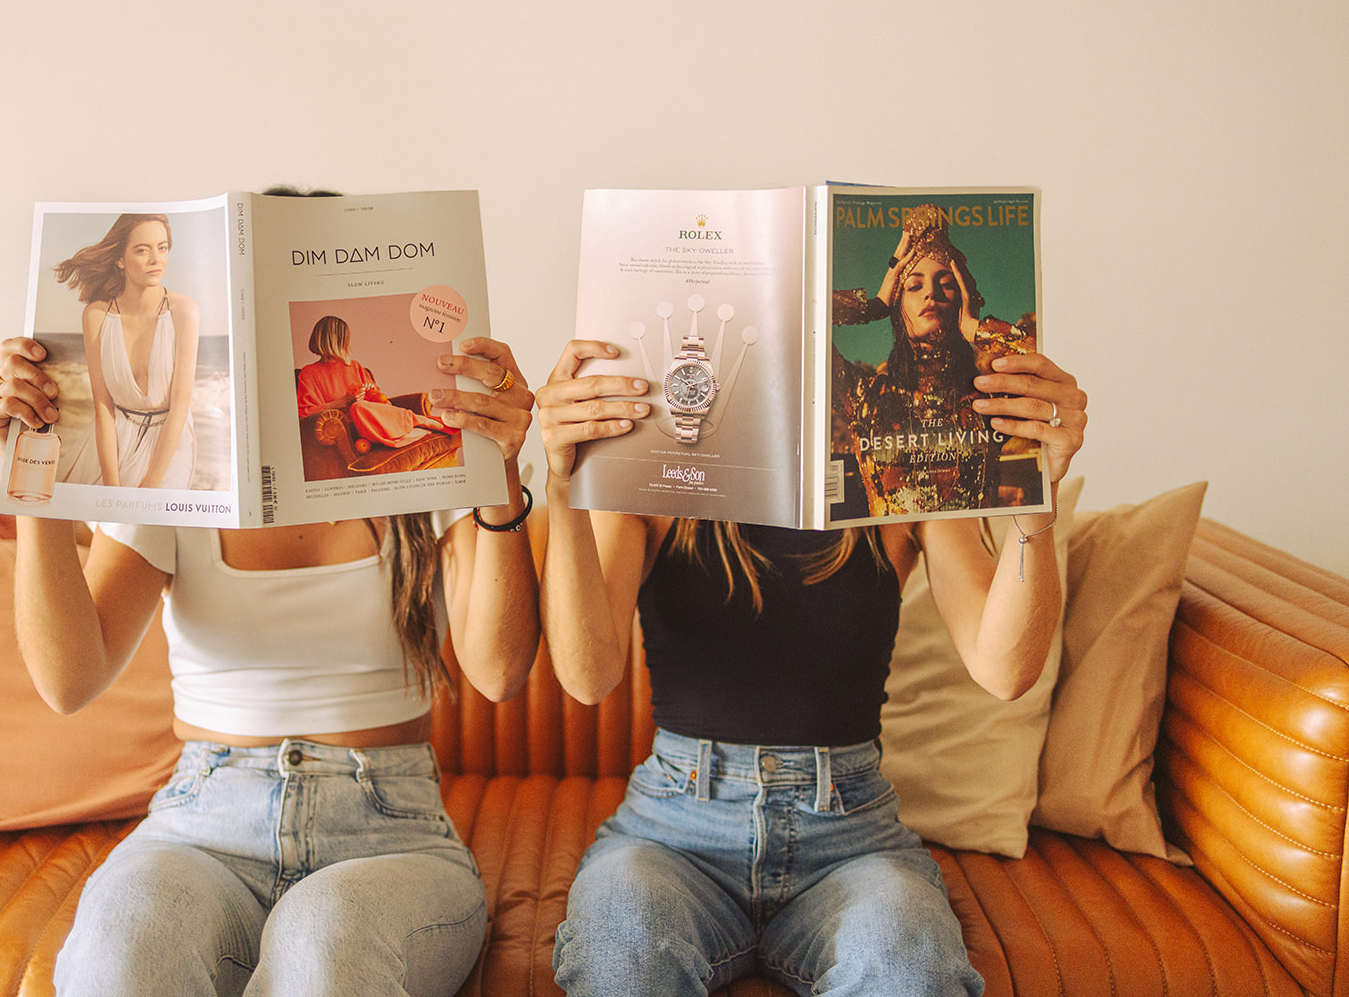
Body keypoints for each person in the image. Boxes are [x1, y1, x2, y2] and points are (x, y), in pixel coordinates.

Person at [0, 327, 540, 996]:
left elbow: (500, 671)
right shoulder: (170, 459)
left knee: (326, 944)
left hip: (389, 830)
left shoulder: (427, 453)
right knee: (120, 947)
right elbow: (68, 679)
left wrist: (498, 469)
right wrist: (32, 468)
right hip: (203, 820)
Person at [535, 336, 1087, 996]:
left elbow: (1006, 670)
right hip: (675, 832)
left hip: (850, 835)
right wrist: (564, 482)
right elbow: (586, 675)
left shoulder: (900, 464)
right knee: (623, 953)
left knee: (908, 969)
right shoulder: (658, 467)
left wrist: (1034, 504)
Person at [832, 204, 1038, 516]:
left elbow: (1047, 353)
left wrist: (976, 327)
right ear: (898, 308)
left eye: (946, 284)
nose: (931, 292)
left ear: (963, 296)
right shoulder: (865, 397)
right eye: (914, 286)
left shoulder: (990, 399)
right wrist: (873, 305)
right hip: (891, 562)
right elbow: (791, 316)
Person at [55, 213, 198, 489]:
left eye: (163, 247)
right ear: (120, 259)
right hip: (114, 440)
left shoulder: (184, 311)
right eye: (143, 250)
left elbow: (180, 406)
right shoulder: (96, 315)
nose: (157, 259)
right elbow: (103, 407)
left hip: (170, 442)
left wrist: (150, 483)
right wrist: (113, 486)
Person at [297, 314, 449, 448]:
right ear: (339, 341)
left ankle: (411, 427)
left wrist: (370, 392)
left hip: (374, 421)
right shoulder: (308, 373)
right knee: (357, 408)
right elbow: (305, 414)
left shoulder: (355, 366)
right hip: (354, 428)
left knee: (360, 406)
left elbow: (382, 404)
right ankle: (416, 422)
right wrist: (344, 401)